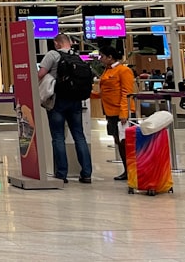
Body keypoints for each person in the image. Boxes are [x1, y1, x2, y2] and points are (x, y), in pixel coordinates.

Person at [37, 33, 92, 184]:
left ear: (56, 43)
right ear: (69, 43)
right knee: (79, 136)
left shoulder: (52, 55)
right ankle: (86, 174)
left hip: (58, 100)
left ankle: (62, 173)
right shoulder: (77, 56)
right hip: (75, 101)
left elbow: (41, 74)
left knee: (58, 137)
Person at [94, 46, 135, 180]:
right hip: (110, 112)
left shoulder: (124, 71)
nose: (100, 59)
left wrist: (124, 112)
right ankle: (127, 170)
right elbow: (105, 92)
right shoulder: (107, 71)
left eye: (102, 56)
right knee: (119, 142)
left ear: (110, 57)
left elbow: (127, 93)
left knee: (126, 143)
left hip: (121, 113)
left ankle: (132, 171)